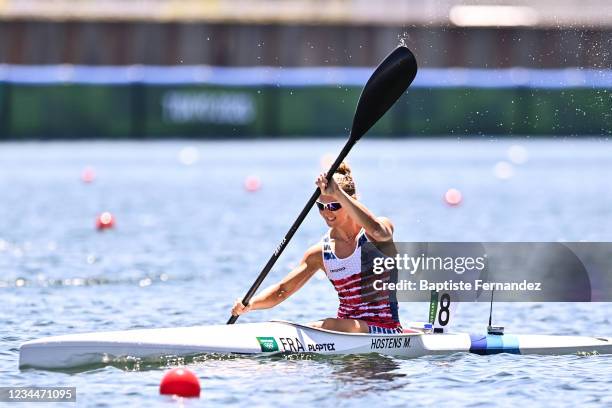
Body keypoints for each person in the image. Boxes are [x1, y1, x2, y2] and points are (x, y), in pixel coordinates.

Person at [231, 162, 402, 334]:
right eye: (321, 206)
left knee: (328, 325)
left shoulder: (376, 234)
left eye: (334, 205)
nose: (327, 212)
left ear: (350, 201)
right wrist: (250, 304)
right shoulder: (321, 252)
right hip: (342, 332)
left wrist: (339, 193)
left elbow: (378, 230)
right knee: (313, 326)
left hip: (385, 330)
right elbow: (282, 290)